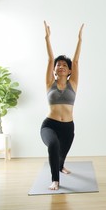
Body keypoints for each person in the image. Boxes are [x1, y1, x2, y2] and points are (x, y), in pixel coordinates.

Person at [40, 21, 83, 190]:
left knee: (62, 153)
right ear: (55, 69)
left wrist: (79, 40)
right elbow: (50, 58)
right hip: (49, 125)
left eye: (65, 65)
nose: (61, 66)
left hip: (68, 126)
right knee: (53, 145)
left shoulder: (73, 83)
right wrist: (47, 38)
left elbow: (77, 60)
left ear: (70, 70)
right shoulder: (50, 82)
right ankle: (55, 180)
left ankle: (60, 165)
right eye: (59, 65)